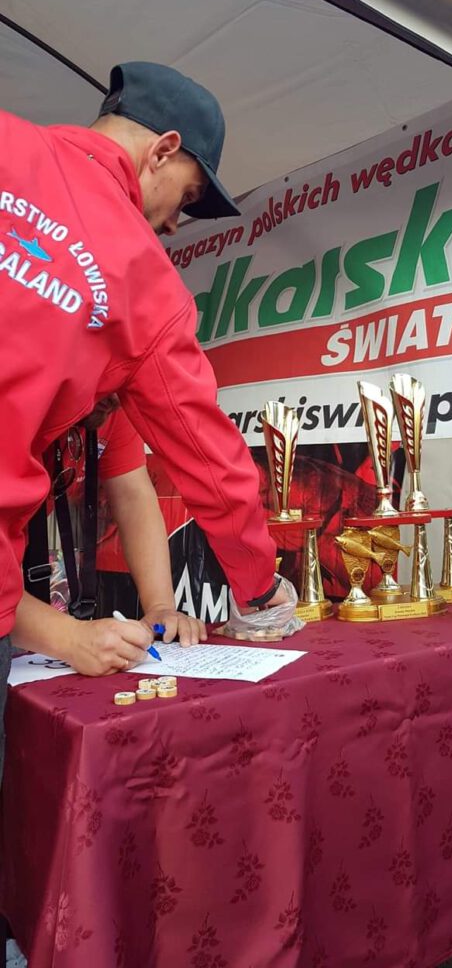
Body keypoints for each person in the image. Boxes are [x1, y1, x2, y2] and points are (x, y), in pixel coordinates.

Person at [0, 61, 290, 780]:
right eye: (185, 197)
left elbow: (133, 482)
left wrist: (158, 602)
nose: (172, 223)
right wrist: (258, 588)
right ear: (162, 149)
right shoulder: (142, 276)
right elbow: (208, 453)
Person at [14, 398, 207, 676]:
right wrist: (71, 638)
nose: (117, 397)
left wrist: (161, 607)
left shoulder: (110, 402)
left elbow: (133, 498)